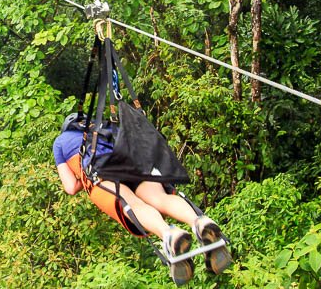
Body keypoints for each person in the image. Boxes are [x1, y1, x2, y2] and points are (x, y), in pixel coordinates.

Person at [53, 113, 231, 285]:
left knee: (133, 203)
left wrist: (82, 174)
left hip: (102, 170)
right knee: (160, 198)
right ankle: (199, 222)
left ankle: (169, 234)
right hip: (132, 163)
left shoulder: (61, 141)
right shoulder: (102, 127)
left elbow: (71, 187)